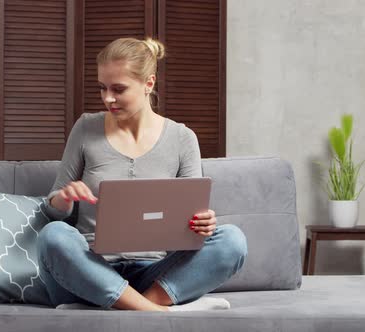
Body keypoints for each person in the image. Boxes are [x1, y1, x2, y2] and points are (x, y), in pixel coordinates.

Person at [38, 37, 247, 312]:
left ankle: (133, 306)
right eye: (102, 88)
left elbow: (190, 222)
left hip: (155, 276)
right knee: (53, 235)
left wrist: (202, 224)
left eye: (118, 89)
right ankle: (157, 313)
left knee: (233, 239)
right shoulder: (86, 128)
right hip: (89, 270)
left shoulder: (182, 138)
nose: (107, 98)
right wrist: (63, 200)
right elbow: (51, 212)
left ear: (148, 83)